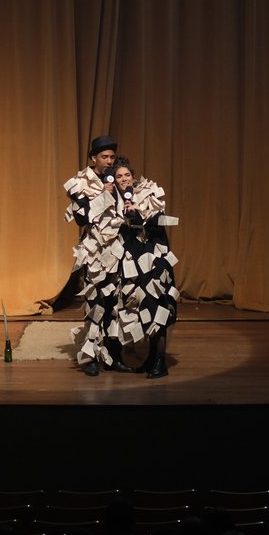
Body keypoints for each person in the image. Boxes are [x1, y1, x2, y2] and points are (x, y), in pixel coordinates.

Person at [63, 138, 180, 378]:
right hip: (98, 255)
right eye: (104, 157)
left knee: (123, 306)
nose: (109, 162)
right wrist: (104, 197)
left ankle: (117, 357)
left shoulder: (138, 191)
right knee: (98, 304)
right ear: (93, 157)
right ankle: (92, 358)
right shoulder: (81, 183)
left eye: (111, 158)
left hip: (134, 257)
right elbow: (82, 218)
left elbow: (149, 217)